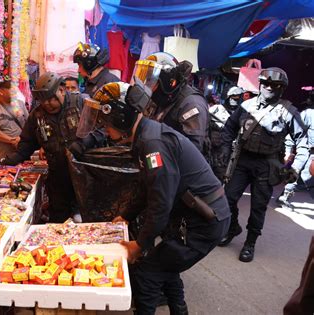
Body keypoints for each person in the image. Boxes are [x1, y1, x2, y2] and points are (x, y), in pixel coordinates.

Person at [77, 81, 230, 315]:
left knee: (147, 274)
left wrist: (139, 245)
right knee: (166, 266)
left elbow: (160, 203)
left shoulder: (152, 143)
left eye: (105, 123)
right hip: (197, 215)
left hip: (204, 221)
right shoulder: (145, 135)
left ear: (120, 117)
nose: (104, 129)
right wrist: (125, 217)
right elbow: (145, 186)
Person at [219, 67, 309, 263]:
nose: (269, 88)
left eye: (274, 85)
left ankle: (250, 243)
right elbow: (229, 129)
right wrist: (225, 150)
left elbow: (303, 141)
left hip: (267, 164)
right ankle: (233, 227)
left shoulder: (288, 111)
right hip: (243, 160)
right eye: (266, 84)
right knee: (227, 199)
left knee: (258, 207)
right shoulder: (247, 105)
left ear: (282, 88)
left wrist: (295, 167)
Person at [1, 72, 104, 223]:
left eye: (50, 99)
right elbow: (27, 143)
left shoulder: (82, 103)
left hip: (87, 175)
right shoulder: (37, 115)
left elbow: (104, 128)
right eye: (43, 101)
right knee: (58, 220)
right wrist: (13, 159)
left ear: (62, 90)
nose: (47, 104)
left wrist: (84, 143)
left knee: (88, 219)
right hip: (58, 177)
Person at [132, 52, 210, 157]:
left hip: (183, 168)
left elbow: (193, 150)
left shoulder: (192, 104)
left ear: (166, 82)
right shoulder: (161, 99)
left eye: (150, 81)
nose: (146, 85)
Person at [278, 88, 314, 208]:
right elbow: (293, 132)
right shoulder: (308, 114)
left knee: (306, 178)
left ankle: (285, 194)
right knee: (301, 175)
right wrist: (288, 151)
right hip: (305, 150)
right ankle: (285, 195)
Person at [0, 80, 29, 161]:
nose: (16, 92)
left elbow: (29, 123)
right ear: (1, 91)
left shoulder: (20, 104)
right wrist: (12, 141)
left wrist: (21, 138)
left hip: (22, 153)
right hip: (1, 156)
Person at [208, 86, 245, 181]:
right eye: (233, 97)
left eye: (238, 98)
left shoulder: (241, 113)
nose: (235, 100)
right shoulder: (216, 109)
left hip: (230, 150)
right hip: (213, 148)